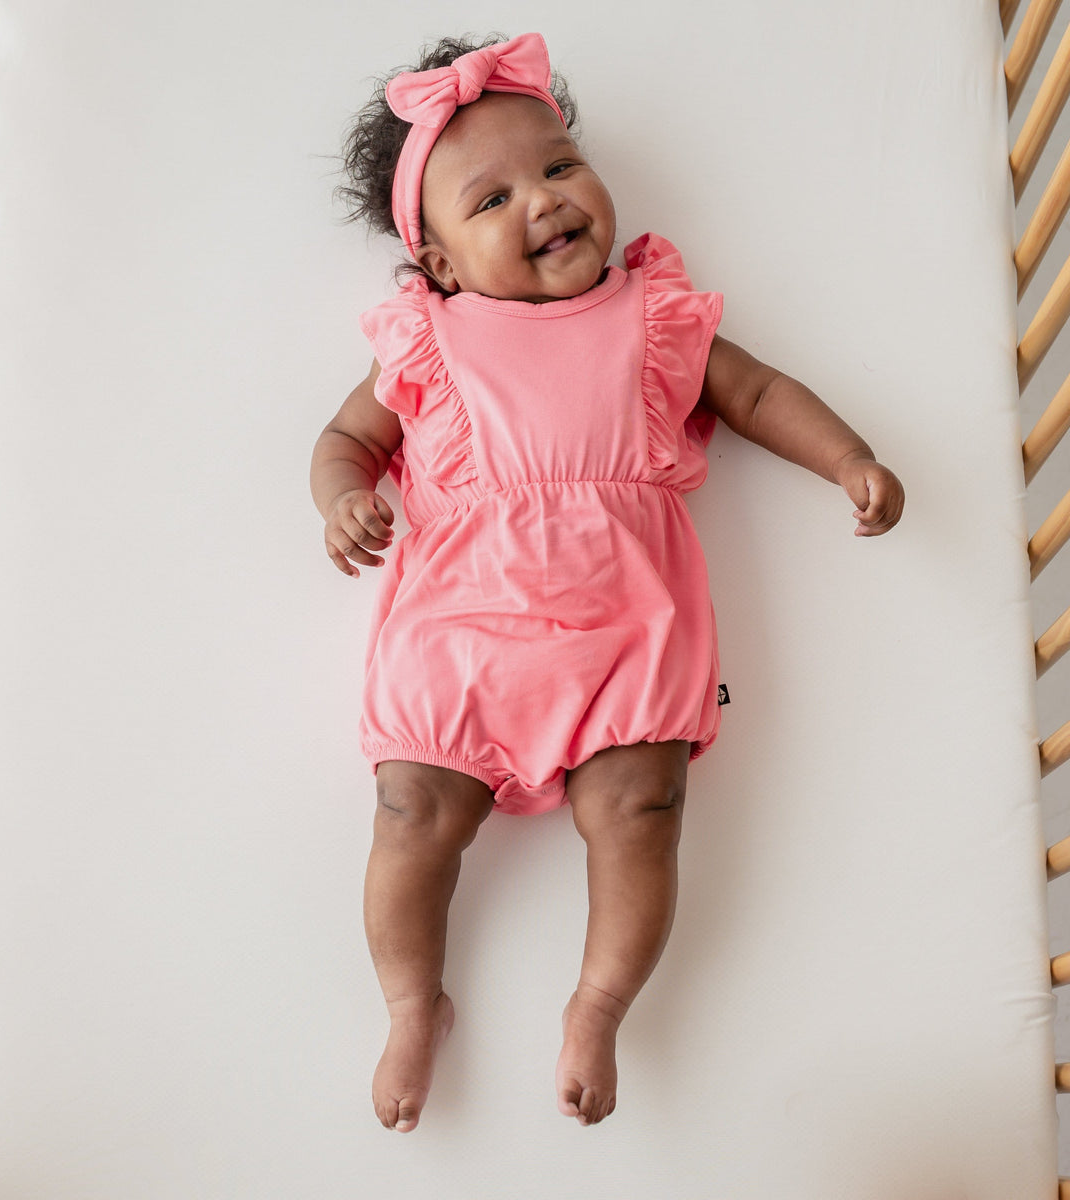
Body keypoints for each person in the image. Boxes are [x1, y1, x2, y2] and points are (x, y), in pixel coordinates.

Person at [310, 32, 904, 1133]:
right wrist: (343, 496)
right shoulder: (430, 342)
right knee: (407, 813)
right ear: (436, 264)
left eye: (559, 166)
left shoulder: (653, 316)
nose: (543, 201)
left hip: (625, 630)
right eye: (490, 200)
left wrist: (849, 457)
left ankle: (599, 1003)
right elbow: (347, 436)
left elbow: (760, 393)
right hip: (460, 636)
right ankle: (408, 1001)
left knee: (642, 807)